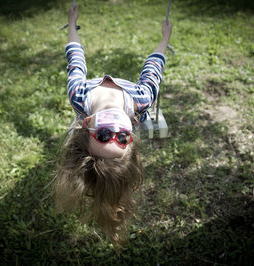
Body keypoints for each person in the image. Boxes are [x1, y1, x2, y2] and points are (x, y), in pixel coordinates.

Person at [54, 3, 172, 247]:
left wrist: (72, 22)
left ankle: (80, 135)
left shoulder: (79, 95)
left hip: (89, 106)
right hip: (133, 107)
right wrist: (165, 40)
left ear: (86, 122)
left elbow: (75, 58)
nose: (117, 131)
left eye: (105, 134)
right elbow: (154, 67)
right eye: (122, 138)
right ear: (131, 136)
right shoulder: (142, 98)